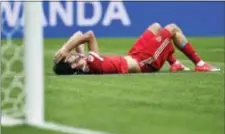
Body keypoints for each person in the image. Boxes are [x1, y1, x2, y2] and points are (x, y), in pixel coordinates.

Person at [53, 23, 220, 75]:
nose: (72, 55)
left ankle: (175, 63)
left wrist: (68, 51)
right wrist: (65, 48)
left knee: (155, 28)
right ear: (73, 65)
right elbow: (87, 34)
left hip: (134, 56)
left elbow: (80, 37)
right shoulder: (90, 64)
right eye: (69, 58)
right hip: (145, 63)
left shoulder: (88, 64)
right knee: (172, 30)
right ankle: (200, 64)